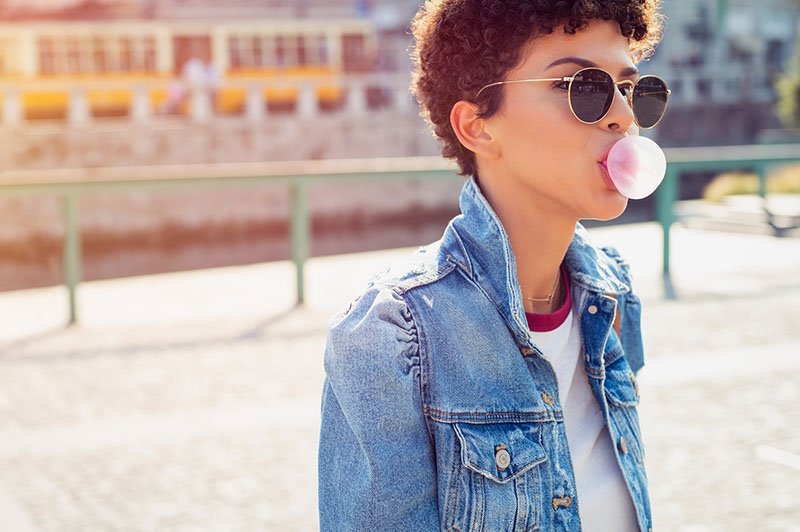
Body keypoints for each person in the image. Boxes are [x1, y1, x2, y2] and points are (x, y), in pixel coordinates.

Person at [318, 1, 667, 530]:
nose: (623, 115)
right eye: (582, 87)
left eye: (630, 88)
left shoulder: (613, 292)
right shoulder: (391, 335)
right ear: (478, 127)